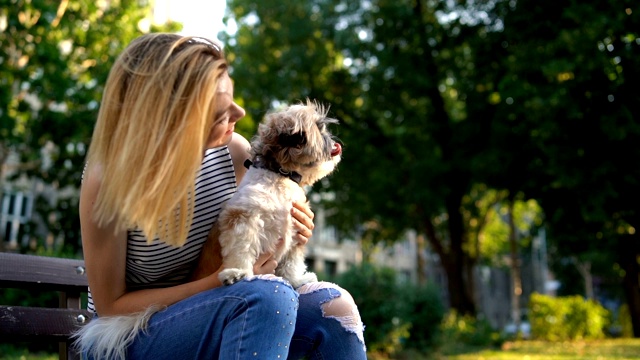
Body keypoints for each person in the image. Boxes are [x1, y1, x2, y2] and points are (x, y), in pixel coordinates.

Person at [75, 32, 366, 359]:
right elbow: (112, 308)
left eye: (232, 100)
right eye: (220, 113)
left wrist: (292, 225)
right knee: (267, 297)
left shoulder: (233, 153)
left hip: (217, 311)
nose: (240, 114)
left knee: (333, 306)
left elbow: (253, 228)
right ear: (174, 120)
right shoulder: (109, 179)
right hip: (127, 337)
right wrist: (219, 282)